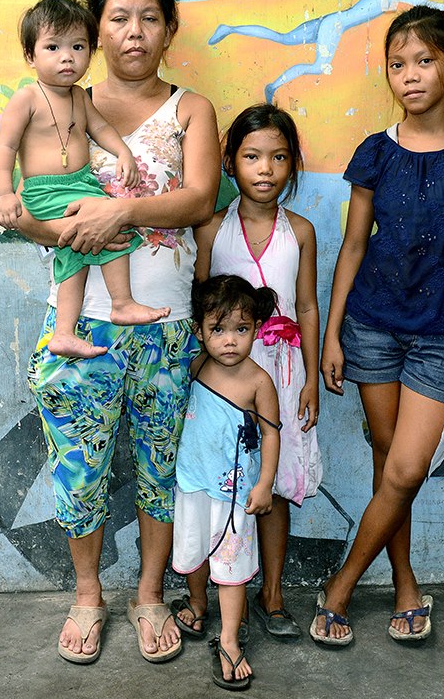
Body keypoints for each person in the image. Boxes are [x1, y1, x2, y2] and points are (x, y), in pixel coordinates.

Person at [10, 0, 222, 665]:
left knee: (162, 469)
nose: (135, 32)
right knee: (80, 466)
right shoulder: (60, 101)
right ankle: (87, 595)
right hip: (80, 324)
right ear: (95, 30)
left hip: (165, 328)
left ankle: (151, 594)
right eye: (119, 18)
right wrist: (73, 229)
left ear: (169, 29)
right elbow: (27, 208)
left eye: (150, 18)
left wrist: (120, 212)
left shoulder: (191, 109)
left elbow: (199, 200)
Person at [314, 5, 444, 645]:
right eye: (397, 64)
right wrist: (332, 335)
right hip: (372, 325)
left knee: (404, 471)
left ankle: (340, 587)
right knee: (386, 463)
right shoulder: (376, 152)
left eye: (424, 60)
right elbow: (352, 246)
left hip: (443, 335)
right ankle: (404, 584)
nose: (410, 75)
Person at [178, 104, 321, 642]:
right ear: (230, 163)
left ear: (293, 164)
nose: (266, 169)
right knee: (215, 480)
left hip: (281, 372)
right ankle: (205, 593)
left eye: (279, 158)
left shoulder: (300, 231)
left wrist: (310, 378)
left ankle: (273, 595)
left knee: (275, 483)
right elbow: (197, 302)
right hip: (222, 377)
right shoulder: (213, 228)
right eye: (252, 156)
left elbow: (306, 306)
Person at [0, 0, 169, 359]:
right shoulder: (27, 98)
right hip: (45, 191)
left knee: (86, 247)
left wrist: (123, 152)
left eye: (78, 47)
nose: (67, 57)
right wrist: (6, 194)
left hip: (80, 185)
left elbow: (101, 128)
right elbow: (6, 148)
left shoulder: (78, 97)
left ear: (91, 51)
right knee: (102, 233)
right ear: (30, 55)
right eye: (53, 47)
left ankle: (68, 331)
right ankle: (120, 303)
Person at [172, 275, 280, 690]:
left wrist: (265, 483)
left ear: (256, 329)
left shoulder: (259, 382)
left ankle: (230, 639)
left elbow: (271, 434)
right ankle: (198, 603)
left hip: (234, 495)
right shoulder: (197, 366)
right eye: (218, 329)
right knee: (195, 550)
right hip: (192, 484)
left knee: (231, 566)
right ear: (199, 331)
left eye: (241, 329)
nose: (230, 340)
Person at [208, 0, 444, 104]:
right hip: (333, 25)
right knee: (318, 66)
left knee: (284, 38)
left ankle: (230, 28)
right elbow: (428, 2)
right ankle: (273, 85)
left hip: (330, 19)